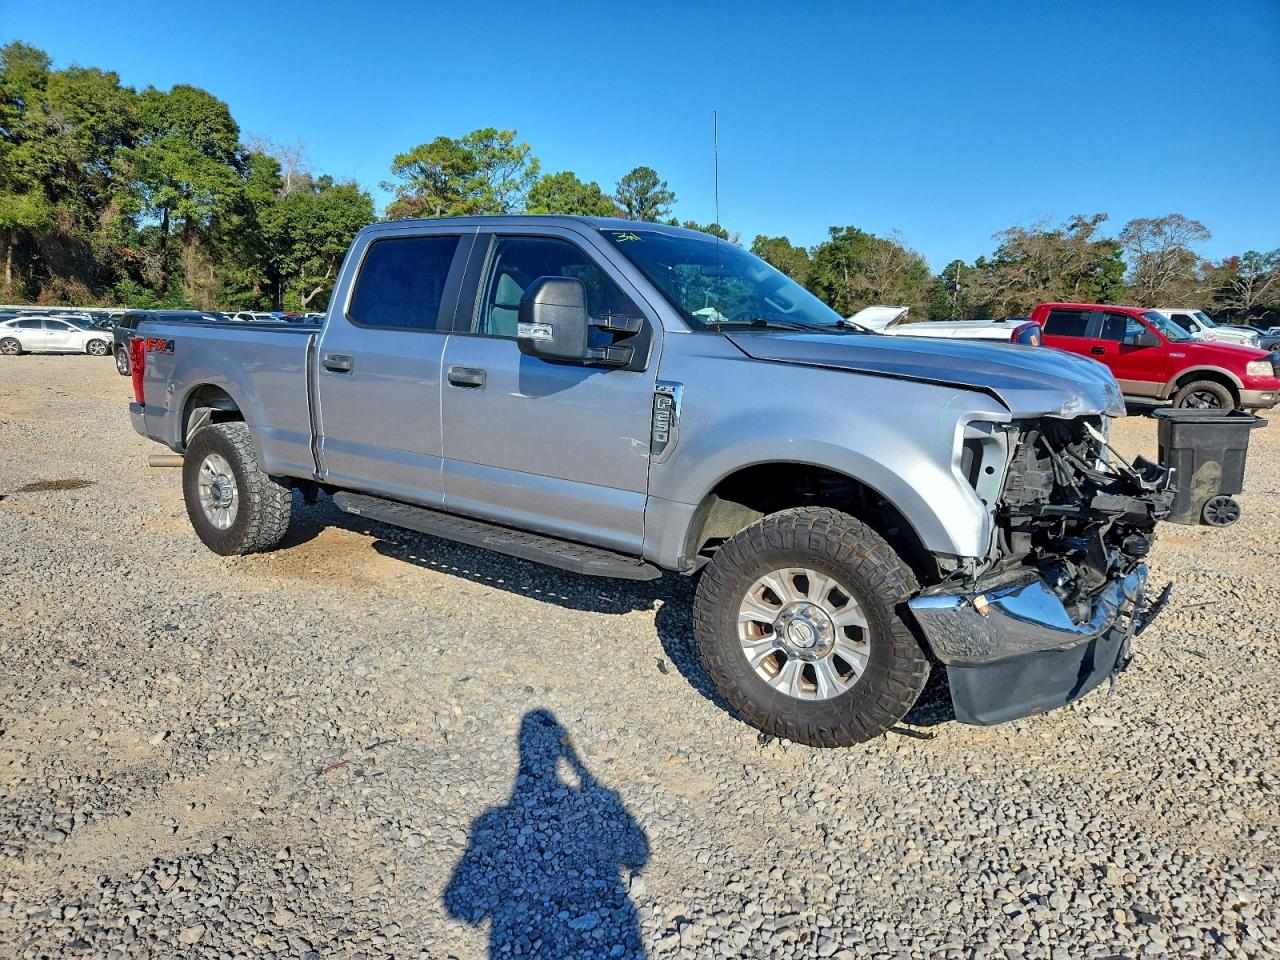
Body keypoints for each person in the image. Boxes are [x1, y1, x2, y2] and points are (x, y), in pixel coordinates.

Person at [444, 709, 649, 959]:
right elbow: (638, 855)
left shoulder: (494, 820)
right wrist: (586, 776)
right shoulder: (501, 818)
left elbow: (457, 906)